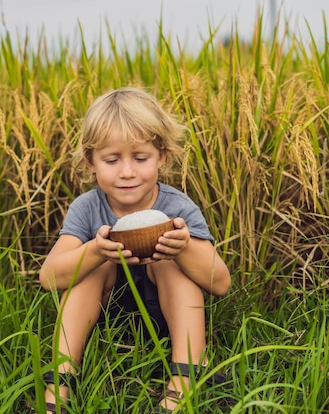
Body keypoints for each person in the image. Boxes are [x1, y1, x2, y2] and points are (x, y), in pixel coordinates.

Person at [38, 87, 231, 413]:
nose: (127, 172)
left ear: (162, 157)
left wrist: (182, 249)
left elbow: (221, 283)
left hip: (166, 316)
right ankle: (60, 380)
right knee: (91, 264)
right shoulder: (87, 208)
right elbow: (48, 277)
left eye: (140, 158)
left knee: (170, 261)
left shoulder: (177, 207)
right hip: (104, 316)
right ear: (91, 163)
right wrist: (96, 251)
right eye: (112, 160)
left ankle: (187, 375)